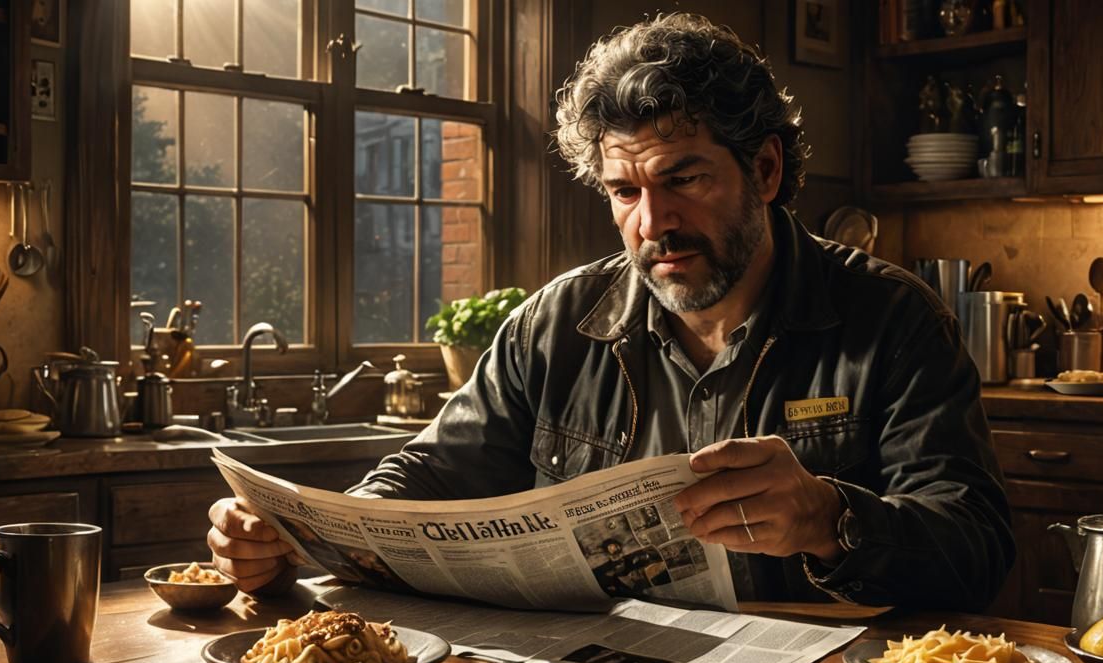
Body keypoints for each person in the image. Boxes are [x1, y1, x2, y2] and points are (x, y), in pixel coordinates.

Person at [207, 13, 1013, 612]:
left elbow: (977, 547)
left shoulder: (895, 320)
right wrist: (312, 533)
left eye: (684, 179)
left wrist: (832, 519)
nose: (651, 222)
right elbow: (433, 471)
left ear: (765, 169)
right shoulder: (556, 321)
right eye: (625, 191)